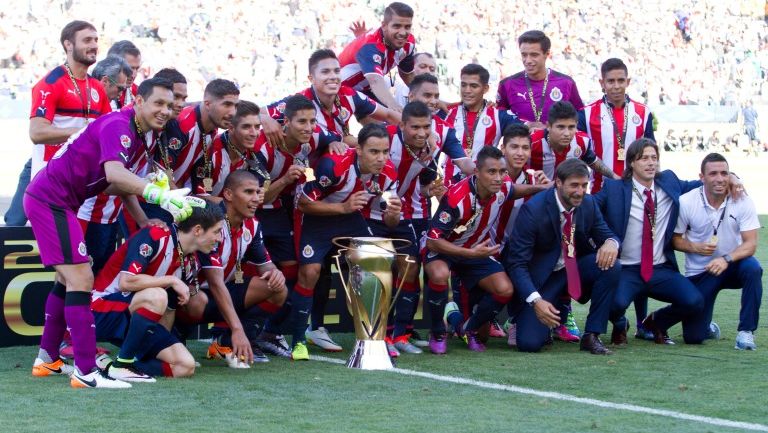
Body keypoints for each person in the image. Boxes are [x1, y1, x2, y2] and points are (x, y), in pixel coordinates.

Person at [27, 78, 194, 388]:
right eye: (158, 103)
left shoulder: (140, 132)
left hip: (58, 200)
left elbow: (115, 182)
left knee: (67, 280)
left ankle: (47, 360)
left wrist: (143, 219)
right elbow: (115, 174)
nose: (165, 111)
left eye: (169, 106)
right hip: (50, 200)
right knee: (82, 279)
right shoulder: (120, 125)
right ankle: (87, 372)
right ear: (139, 101)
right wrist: (159, 196)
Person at [291, 123, 398, 360]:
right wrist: (342, 207)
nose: (381, 158)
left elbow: (390, 221)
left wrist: (393, 214)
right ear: (358, 150)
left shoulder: (389, 171)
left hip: (349, 218)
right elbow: (302, 202)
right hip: (316, 218)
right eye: (374, 152)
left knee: (375, 260)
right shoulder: (333, 166)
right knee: (311, 272)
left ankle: (374, 337)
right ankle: (298, 340)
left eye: (385, 152)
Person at [424, 146, 543, 354]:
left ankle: (466, 327)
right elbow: (433, 241)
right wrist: (470, 253)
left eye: (502, 172)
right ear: (477, 172)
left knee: (505, 289)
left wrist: (545, 187)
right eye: (492, 172)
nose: (498, 178)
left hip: (475, 251)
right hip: (446, 251)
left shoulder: (503, 188)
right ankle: (437, 332)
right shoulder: (456, 198)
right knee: (439, 274)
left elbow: (515, 190)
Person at [250, 95, 343, 356]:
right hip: (253, 214)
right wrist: (284, 180)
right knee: (250, 275)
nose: (308, 127)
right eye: (301, 121)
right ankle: (241, 335)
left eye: (312, 121)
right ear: (286, 122)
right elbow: (259, 198)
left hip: (280, 215)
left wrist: (336, 142)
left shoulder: (313, 137)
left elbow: (335, 136)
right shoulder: (264, 146)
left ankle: (269, 331)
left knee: (293, 274)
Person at [504, 158, 621, 355]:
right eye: (574, 185)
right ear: (558, 182)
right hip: (543, 279)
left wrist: (611, 242)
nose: (580, 191)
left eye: (584, 185)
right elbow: (517, 264)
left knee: (612, 265)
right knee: (529, 344)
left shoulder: (588, 203)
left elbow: (607, 234)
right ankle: (521, 318)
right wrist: (536, 300)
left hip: (573, 269)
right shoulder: (533, 210)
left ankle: (592, 335)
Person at [594, 138, 704, 346]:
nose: (651, 163)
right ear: (632, 163)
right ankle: (620, 323)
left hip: (660, 268)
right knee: (613, 304)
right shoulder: (615, 188)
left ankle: (655, 322)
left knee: (694, 301)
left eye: (654, 158)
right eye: (644, 158)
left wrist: (732, 178)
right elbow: (590, 209)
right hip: (627, 268)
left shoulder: (669, 181)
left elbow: (698, 185)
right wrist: (606, 240)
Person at [92, 203, 218, 381]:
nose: (219, 238)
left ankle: (109, 367)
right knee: (158, 295)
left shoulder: (190, 261)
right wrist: (172, 280)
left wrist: (157, 345)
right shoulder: (155, 235)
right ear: (197, 230)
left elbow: (169, 309)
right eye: (216, 231)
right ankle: (123, 365)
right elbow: (126, 282)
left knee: (185, 366)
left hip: (135, 316)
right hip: (99, 310)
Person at [381, 101, 467, 355]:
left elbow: (427, 181)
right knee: (383, 269)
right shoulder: (384, 138)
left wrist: (432, 190)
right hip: (373, 211)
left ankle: (400, 334)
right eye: (415, 127)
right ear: (402, 124)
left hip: (411, 212)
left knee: (410, 268)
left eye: (425, 127)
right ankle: (381, 335)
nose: (421, 133)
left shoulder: (435, 140)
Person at [181, 171, 287, 366]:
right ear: (228, 195)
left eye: (257, 192)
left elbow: (265, 265)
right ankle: (176, 337)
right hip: (190, 293)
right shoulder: (211, 221)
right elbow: (215, 282)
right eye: (248, 192)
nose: (256, 198)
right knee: (197, 301)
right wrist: (237, 327)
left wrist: (275, 272)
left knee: (277, 288)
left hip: (222, 289)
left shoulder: (253, 225)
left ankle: (230, 342)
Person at [673, 153, 762, 349]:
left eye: (724, 173)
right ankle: (706, 325)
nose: (720, 178)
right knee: (693, 337)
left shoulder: (742, 199)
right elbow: (675, 239)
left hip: (733, 266)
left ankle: (746, 332)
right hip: (701, 271)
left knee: (753, 268)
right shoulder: (687, 202)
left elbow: (751, 244)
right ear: (702, 177)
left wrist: (726, 259)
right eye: (713, 173)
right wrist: (695, 247)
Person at [261, 48, 399, 148]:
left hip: (336, 154)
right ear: (312, 78)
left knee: (391, 134)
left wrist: (414, 127)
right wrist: (265, 119)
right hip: (305, 167)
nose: (333, 76)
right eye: (325, 72)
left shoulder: (349, 95)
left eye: (336, 71)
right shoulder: (299, 102)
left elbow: (388, 114)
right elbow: (251, 111)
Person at [578, 58, 655, 193]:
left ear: (628, 81)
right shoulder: (586, 113)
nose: (616, 86)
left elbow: (652, 151)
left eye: (621, 80)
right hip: (600, 190)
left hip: (636, 189)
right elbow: (581, 152)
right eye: (610, 81)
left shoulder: (643, 112)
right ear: (602, 83)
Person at [442, 64, 522, 183]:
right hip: (449, 187)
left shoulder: (498, 115)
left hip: (484, 187)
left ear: (485, 89)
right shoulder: (447, 112)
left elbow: (525, 131)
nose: (467, 90)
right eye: (463, 85)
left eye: (473, 86)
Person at [496, 30, 583, 129]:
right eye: (524, 55)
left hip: (555, 144)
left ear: (547, 54)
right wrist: (523, 125)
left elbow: (580, 117)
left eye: (534, 55)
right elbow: (499, 119)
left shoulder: (566, 83)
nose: (528, 60)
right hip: (522, 143)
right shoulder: (507, 84)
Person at [339, 2, 416, 110]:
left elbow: (408, 75)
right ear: (384, 26)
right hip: (339, 89)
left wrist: (428, 97)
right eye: (397, 26)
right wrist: (395, 107)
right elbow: (376, 81)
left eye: (407, 27)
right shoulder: (370, 46)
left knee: (390, 122)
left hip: (366, 88)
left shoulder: (409, 42)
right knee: (391, 119)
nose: (403, 33)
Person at [529, 101, 620, 184]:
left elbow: (593, 161)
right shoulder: (532, 142)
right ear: (548, 126)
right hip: (537, 196)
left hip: (568, 197)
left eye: (571, 127)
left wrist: (615, 177)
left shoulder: (582, 141)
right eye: (561, 127)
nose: (567, 133)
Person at [173, 79, 240, 190]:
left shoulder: (212, 130)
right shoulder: (184, 125)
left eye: (235, 106)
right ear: (208, 104)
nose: (233, 112)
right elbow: (161, 172)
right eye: (227, 104)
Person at [192, 101, 262, 198]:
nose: (254, 133)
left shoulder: (254, 152)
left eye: (257, 127)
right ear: (231, 128)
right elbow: (198, 196)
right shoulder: (209, 151)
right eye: (246, 127)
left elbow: (264, 183)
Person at [107, 40, 141, 108]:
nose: (134, 75)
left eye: (137, 69)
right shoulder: (93, 89)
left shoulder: (138, 93)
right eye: (129, 68)